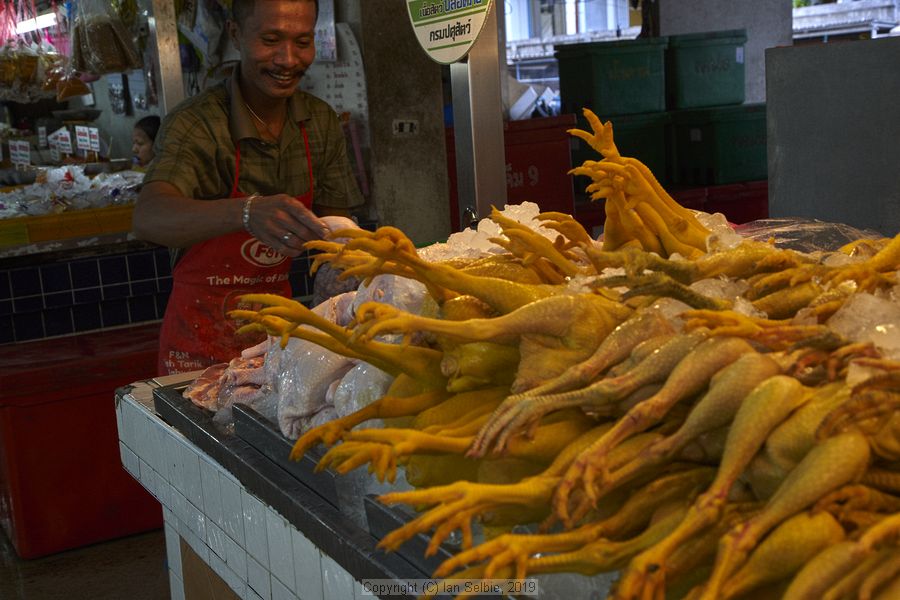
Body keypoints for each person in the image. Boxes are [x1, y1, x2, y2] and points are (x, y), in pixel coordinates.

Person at [132, 0, 363, 375]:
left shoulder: (318, 122)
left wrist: (354, 263)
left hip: (277, 343)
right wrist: (247, 213)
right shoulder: (197, 124)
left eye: (302, 41)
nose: (288, 59)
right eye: (271, 39)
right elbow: (149, 217)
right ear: (236, 35)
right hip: (198, 352)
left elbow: (334, 223)